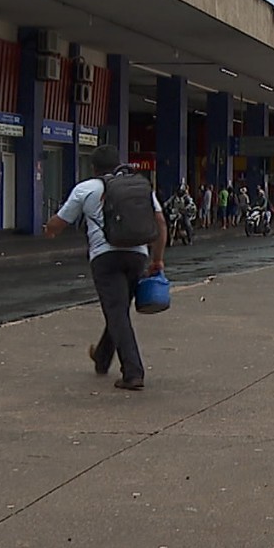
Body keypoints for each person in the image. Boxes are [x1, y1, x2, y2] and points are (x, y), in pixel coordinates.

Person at [43, 145, 165, 391]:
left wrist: (49, 229)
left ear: (94, 167)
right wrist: (157, 259)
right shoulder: (139, 187)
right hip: (137, 255)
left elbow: (59, 223)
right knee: (118, 309)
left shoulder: (86, 189)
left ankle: (133, 373)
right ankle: (102, 357)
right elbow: (160, 222)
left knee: (116, 312)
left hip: (105, 258)